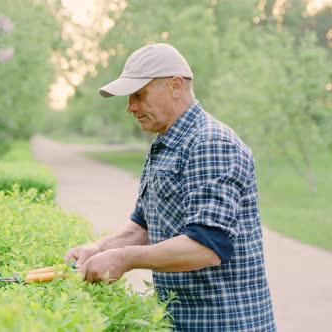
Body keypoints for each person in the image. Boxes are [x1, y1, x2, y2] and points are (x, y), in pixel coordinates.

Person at [64, 43, 276, 331]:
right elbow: (142, 228)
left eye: (139, 95)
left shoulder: (211, 143)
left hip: (224, 323)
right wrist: (97, 248)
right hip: (180, 321)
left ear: (175, 86)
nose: (130, 107)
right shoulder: (165, 144)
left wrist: (123, 260)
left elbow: (206, 246)